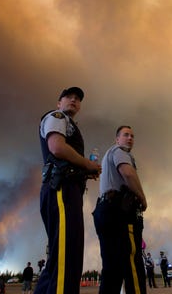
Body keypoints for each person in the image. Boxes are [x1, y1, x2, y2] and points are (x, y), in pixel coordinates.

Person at [35, 87, 101, 294]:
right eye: (68, 97)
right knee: (67, 256)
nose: (74, 100)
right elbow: (56, 147)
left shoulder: (70, 125)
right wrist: (87, 165)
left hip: (66, 189)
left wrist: (84, 171)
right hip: (61, 189)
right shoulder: (57, 117)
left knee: (58, 258)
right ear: (59, 103)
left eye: (77, 99)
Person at [93, 125, 148, 294]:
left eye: (132, 135)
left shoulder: (109, 154)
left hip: (104, 211)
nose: (130, 138)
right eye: (126, 135)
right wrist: (142, 198)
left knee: (111, 268)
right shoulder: (120, 151)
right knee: (132, 261)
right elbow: (128, 173)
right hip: (119, 212)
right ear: (117, 139)